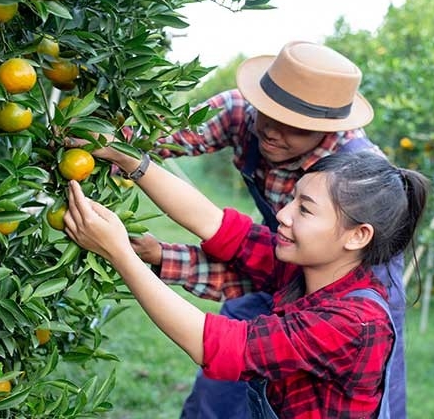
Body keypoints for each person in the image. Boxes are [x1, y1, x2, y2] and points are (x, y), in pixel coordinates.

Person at [129, 41, 412, 418]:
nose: (273, 132)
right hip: (286, 252)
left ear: (326, 130)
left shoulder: (357, 179)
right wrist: (117, 150)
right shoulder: (241, 116)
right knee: (217, 400)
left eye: (294, 127)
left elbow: (219, 344)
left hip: (343, 288)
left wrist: (120, 254)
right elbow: (236, 238)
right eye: (268, 114)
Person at [62, 149, 428, 418]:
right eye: (292, 199)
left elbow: (215, 344)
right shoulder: (312, 267)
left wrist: (118, 253)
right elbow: (216, 225)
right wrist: (127, 158)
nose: (282, 215)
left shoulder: (351, 322)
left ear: (357, 235)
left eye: (304, 209)